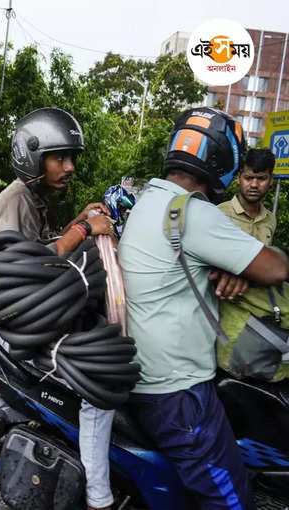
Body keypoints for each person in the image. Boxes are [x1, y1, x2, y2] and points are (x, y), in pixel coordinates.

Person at [118, 107, 289, 509]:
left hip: (146, 376)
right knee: (229, 500)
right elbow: (275, 266)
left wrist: (235, 270)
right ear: (223, 160)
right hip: (179, 393)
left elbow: (184, 264)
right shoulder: (193, 213)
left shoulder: (149, 202)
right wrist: (259, 266)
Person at [0, 107, 115, 510]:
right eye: (59, 158)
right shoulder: (16, 200)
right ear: (32, 157)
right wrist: (84, 230)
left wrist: (76, 221)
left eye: (71, 157)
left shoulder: (32, 199)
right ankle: (98, 497)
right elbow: (24, 265)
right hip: (16, 321)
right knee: (99, 383)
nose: (69, 166)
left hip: (31, 313)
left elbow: (41, 247)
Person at [218, 148, 276, 245]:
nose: (254, 185)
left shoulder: (270, 219)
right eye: (248, 178)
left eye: (261, 178)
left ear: (271, 180)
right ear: (238, 178)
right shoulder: (219, 213)